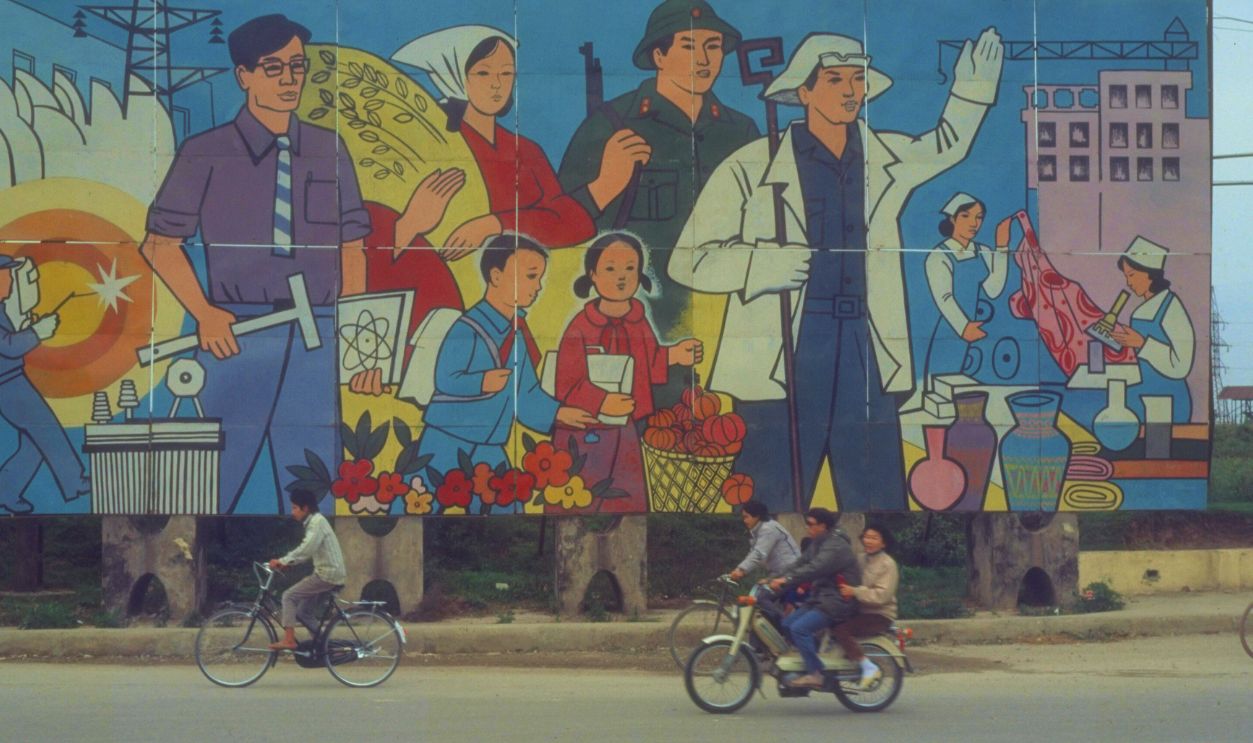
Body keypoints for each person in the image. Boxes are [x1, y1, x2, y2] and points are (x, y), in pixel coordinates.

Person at [671, 30, 1004, 512]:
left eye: (857, 79)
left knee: (876, 494)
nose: (850, 91)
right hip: (783, 349)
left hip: (865, 342)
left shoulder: (886, 156)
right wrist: (759, 264)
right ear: (804, 91)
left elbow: (947, 144)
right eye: (834, 79)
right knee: (770, 497)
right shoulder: (749, 165)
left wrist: (973, 91)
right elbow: (688, 259)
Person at [142, 14, 371, 514]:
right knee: (212, 485)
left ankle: (316, 565)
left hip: (318, 336)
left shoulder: (329, 148)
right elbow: (159, 244)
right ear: (243, 75)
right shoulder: (205, 152)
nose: (290, 79)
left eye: (297, 66)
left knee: (317, 485)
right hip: (235, 334)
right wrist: (204, 313)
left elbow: (353, 247)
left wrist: (353, 338)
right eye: (274, 67)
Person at [558, 0, 759, 340]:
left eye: (713, 47)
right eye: (689, 46)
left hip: (724, 316)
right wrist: (605, 185)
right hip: (638, 318)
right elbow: (558, 225)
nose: (703, 60)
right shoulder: (610, 124)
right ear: (659, 56)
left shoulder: (741, 131)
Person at [416, 235, 599, 497]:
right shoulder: (467, 327)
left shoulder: (516, 336)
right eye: (530, 276)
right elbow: (445, 378)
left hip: (489, 444)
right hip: (448, 437)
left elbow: (526, 394)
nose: (538, 287)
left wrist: (558, 413)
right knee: (427, 494)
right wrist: (481, 382)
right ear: (496, 276)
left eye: (539, 278)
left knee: (507, 499)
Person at [553, 232, 703, 512]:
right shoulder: (581, 325)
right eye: (610, 268)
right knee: (580, 496)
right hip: (586, 428)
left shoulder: (638, 320)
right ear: (593, 274)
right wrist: (601, 400)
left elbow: (649, 360)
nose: (621, 277)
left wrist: (674, 354)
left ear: (639, 274)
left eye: (630, 268)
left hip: (626, 428)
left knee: (626, 494)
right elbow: (566, 381)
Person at [0, 255, 89, 514]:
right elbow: (8, 346)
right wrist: (36, 332)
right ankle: (75, 481)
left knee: (34, 442)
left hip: (11, 378)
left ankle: (6, 490)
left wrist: (28, 326)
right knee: (46, 428)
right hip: (6, 384)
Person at [922, 194, 1012, 389]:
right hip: (951, 330)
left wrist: (1002, 247)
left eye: (979, 217)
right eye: (966, 216)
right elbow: (944, 298)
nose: (974, 223)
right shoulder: (938, 256)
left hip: (978, 332)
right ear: (952, 219)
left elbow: (993, 290)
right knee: (946, 387)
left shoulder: (983, 251)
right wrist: (964, 327)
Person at [768, 507, 861, 689]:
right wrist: (772, 578)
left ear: (823, 526)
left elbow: (814, 568)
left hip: (838, 601)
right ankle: (814, 658)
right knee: (787, 624)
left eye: (811, 524)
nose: (807, 528)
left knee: (799, 629)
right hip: (821, 598)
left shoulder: (835, 546)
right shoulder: (818, 542)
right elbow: (800, 563)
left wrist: (786, 580)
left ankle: (816, 674)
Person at [1109, 237, 1194, 422]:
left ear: (1149, 273)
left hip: (1168, 399)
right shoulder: (1143, 308)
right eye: (1126, 276)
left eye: (1131, 275)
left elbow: (1181, 365)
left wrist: (1142, 343)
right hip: (1142, 392)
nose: (1128, 282)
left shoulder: (1171, 307)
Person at [267, 489, 347, 651]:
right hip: (328, 573)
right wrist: (288, 563)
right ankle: (323, 647)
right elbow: (308, 551)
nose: (292, 512)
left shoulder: (317, 523)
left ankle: (289, 640)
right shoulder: (314, 522)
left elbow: (307, 549)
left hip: (327, 575)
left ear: (305, 508)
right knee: (304, 612)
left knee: (288, 596)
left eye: (295, 508)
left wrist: (282, 561)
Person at [836, 523, 900, 689]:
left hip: (879, 614)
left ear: (883, 543)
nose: (869, 541)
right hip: (859, 610)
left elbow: (882, 595)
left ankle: (867, 666)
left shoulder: (887, 564)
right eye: (866, 537)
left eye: (874, 538)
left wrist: (855, 592)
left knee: (841, 629)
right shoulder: (860, 559)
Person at [728, 501, 800, 582]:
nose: (744, 520)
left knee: (761, 589)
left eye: (746, 517)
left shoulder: (768, 529)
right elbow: (754, 553)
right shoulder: (758, 529)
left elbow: (759, 553)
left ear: (757, 516)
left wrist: (741, 570)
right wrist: (740, 570)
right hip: (779, 572)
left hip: (790, 573)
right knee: (760, 587)